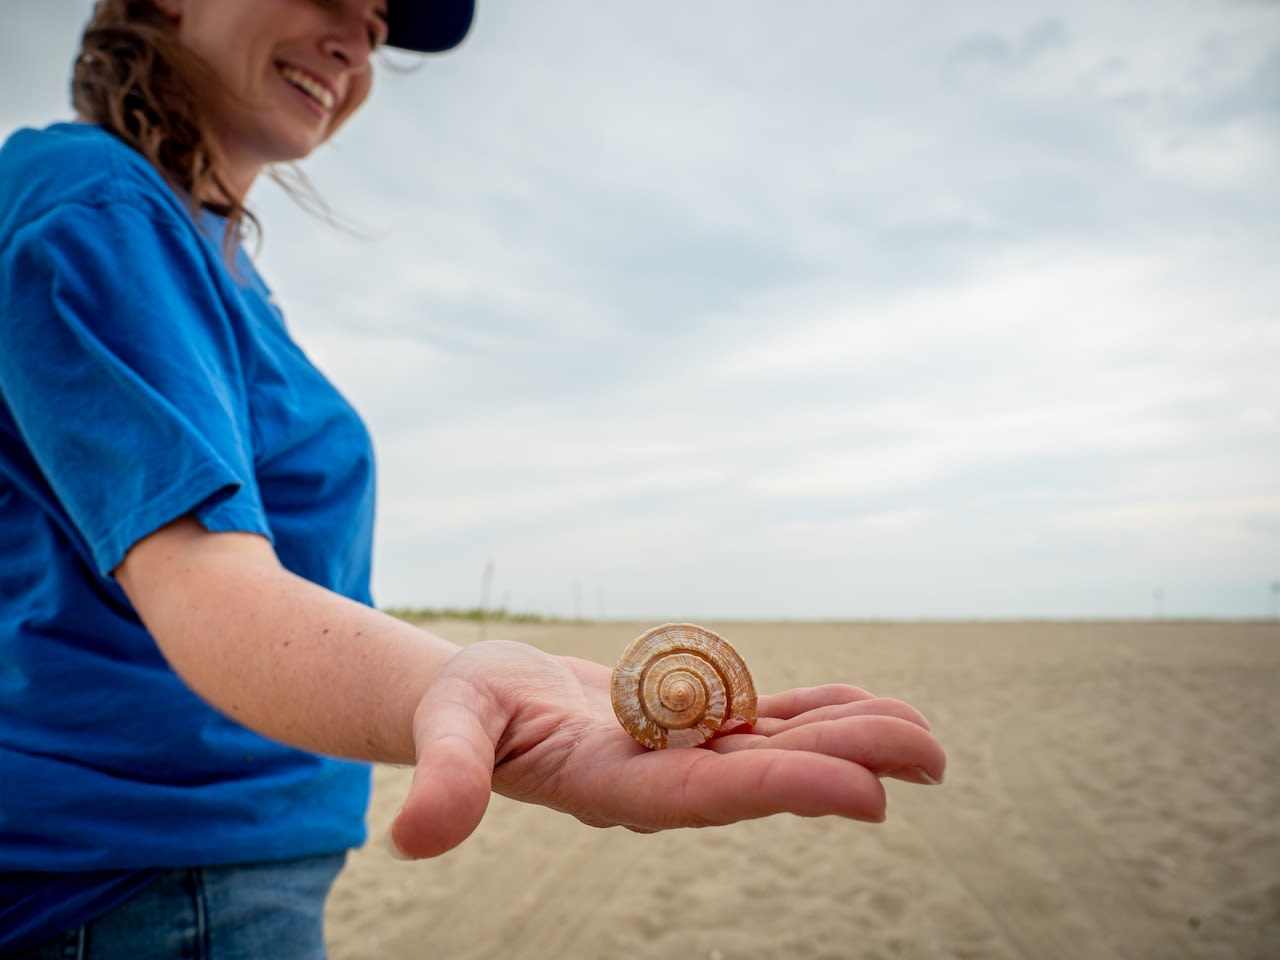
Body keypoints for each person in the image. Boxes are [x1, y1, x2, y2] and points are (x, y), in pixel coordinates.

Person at [0, 0, 947, 956]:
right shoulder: (94, 203)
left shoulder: (206, 253)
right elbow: (206, 585)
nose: (357, 42)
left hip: (205, 863)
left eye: (375, 23)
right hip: (137, 880)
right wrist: (454, 682)